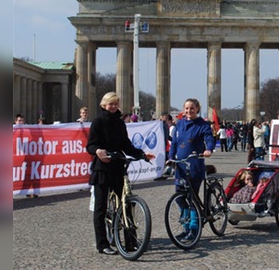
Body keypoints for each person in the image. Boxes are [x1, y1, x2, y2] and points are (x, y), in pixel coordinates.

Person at [86, 92, 154, 256]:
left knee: (127, 204)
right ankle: (102, 244)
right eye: (110, 104)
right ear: (104, 104)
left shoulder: (120, 123)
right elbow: (90, 145)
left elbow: (126, 145)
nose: (113, 106)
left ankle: (130, 242)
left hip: (118, 166)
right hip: (102, 168)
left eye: (116, 103)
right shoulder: (97, 122)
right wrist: (98, 151)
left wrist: (142, 155)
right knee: (100, 209)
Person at [166, 98, 215, 242]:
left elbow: (209, 138)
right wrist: (170, 157)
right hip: (180, 166)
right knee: (180, 197)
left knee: (191, 197)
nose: (189, 111)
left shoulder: (203, 124)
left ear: (197, 109)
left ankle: (194, 228)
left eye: (192, 108)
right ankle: (185, 227)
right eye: (186, 108)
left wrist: (208, 149)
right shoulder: (179, 124)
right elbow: (174, 142)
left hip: (194, 165)